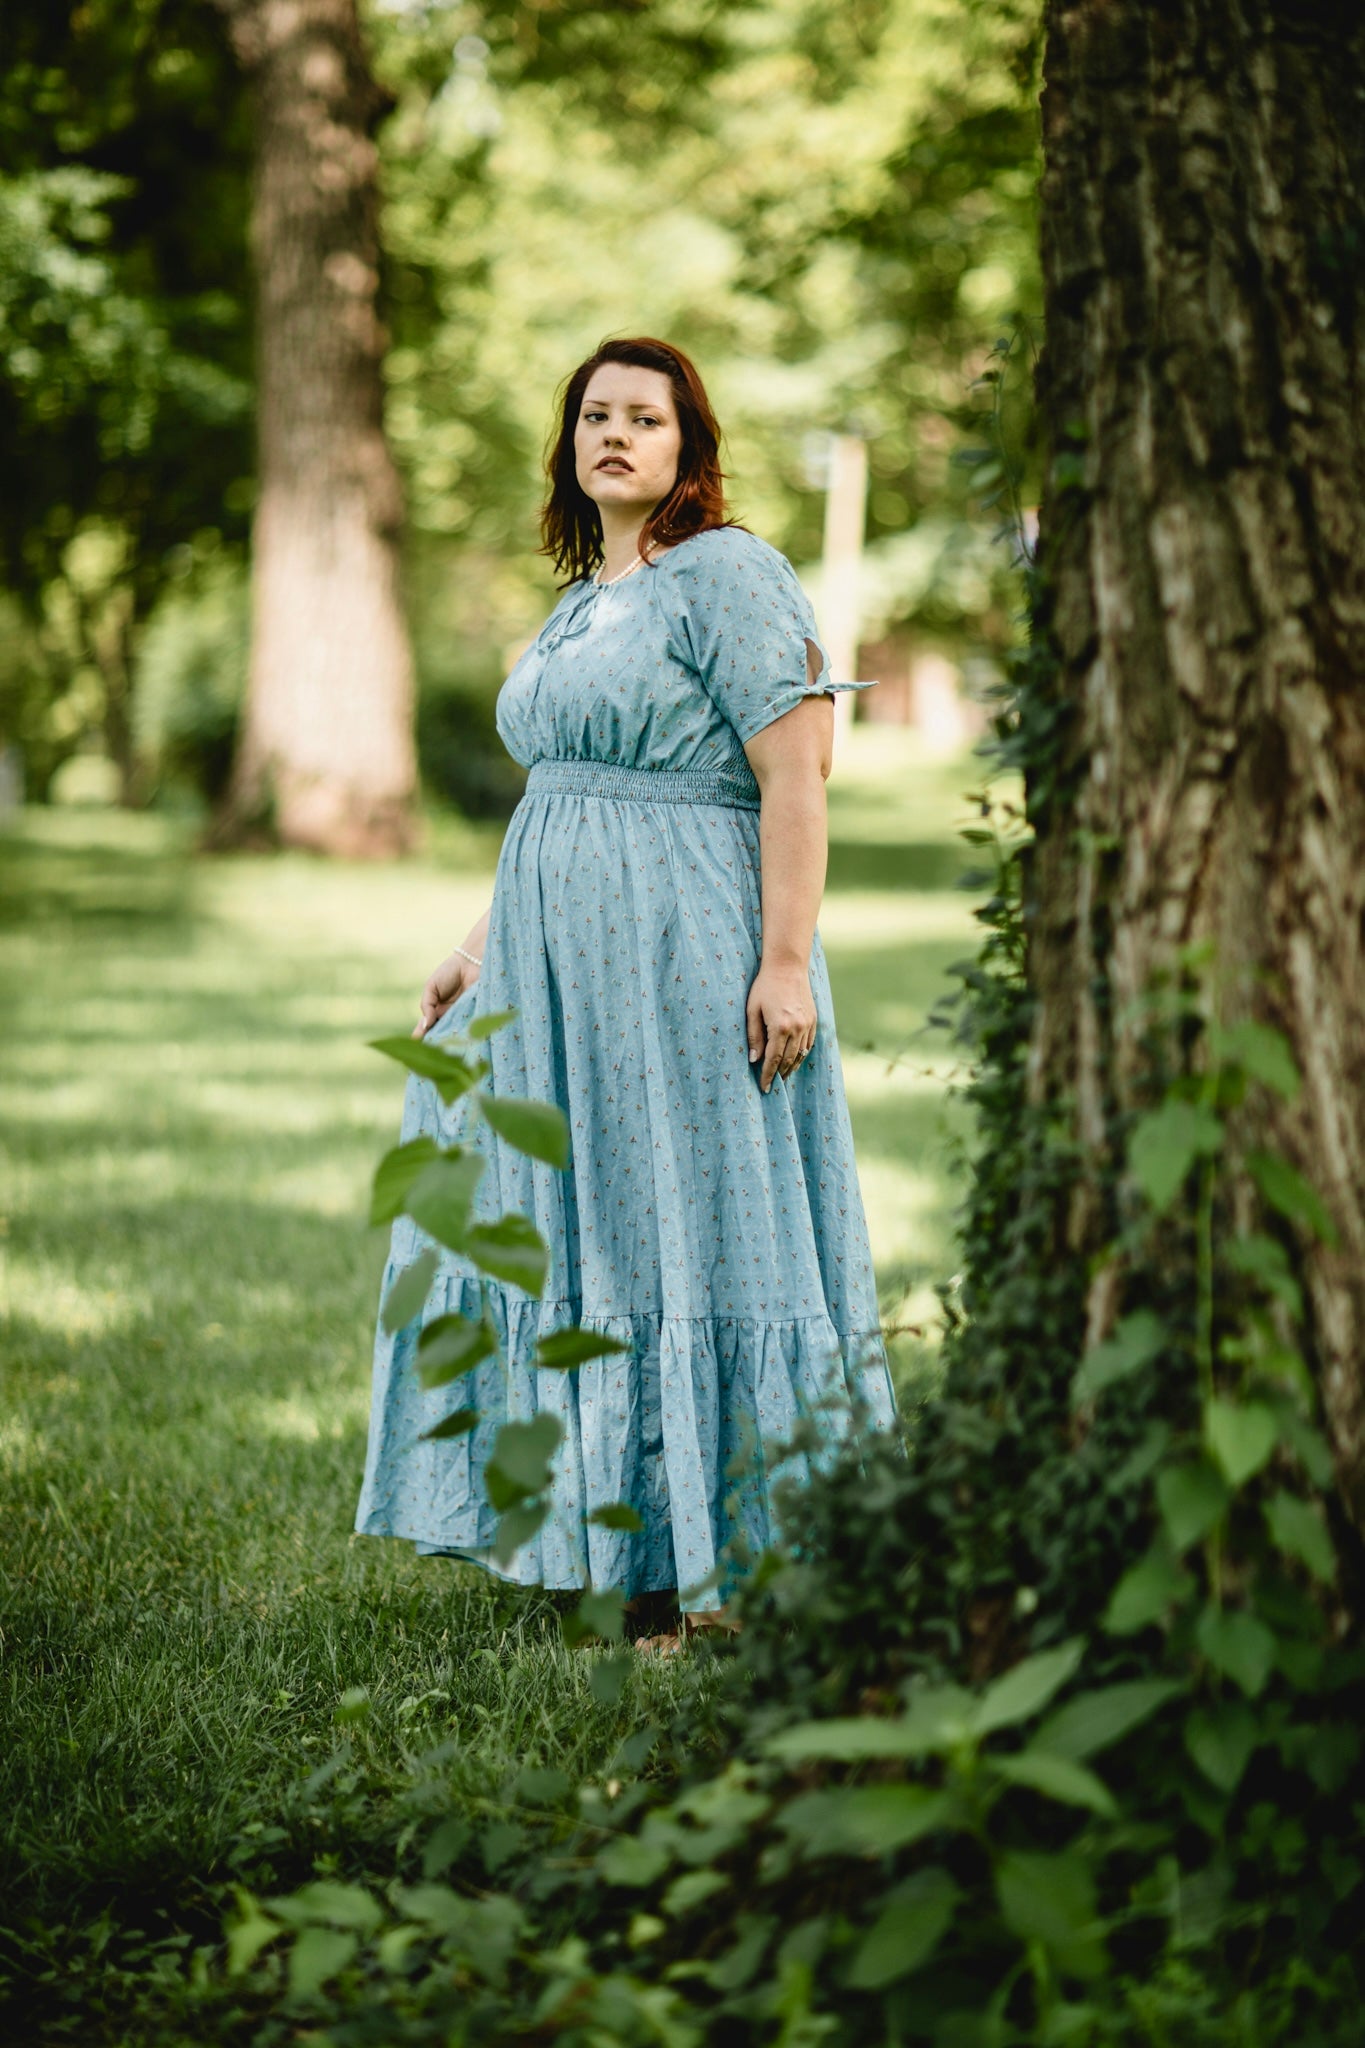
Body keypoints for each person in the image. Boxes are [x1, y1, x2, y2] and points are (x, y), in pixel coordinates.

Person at [355, 336, 897, 1645]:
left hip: (685, 947)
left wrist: (780, 960)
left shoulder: (726, 576)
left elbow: (795, 780)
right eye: (593, 415)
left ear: (686, 448)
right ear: (569, 446)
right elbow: (566, 794)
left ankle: (709, 1569)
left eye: (643, 418)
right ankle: (599, 1537)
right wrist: (482, 942)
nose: (614, 435)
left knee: (679, 1219)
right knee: (573, 1220)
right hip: (550, 972)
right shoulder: (584, 601)